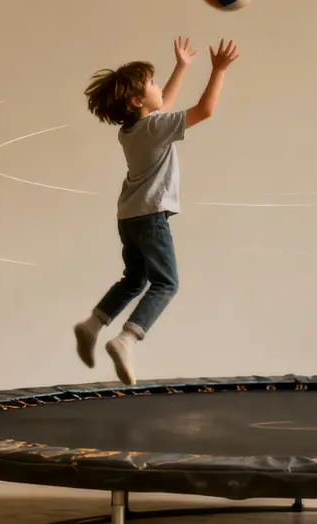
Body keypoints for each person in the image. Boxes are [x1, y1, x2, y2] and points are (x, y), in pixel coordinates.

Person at [73, 36, 240, 384]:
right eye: (152, 83)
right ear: (136, 100)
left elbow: (161, 106)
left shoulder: (131, 130)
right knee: (166, 283)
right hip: (151, 217)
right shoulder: (153, 127)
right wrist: (219, 70)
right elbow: (204, 110)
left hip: (128, 217)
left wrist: (182, 66)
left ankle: (92, 325)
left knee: (134, 279)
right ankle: (126, 339)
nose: (158, 87)